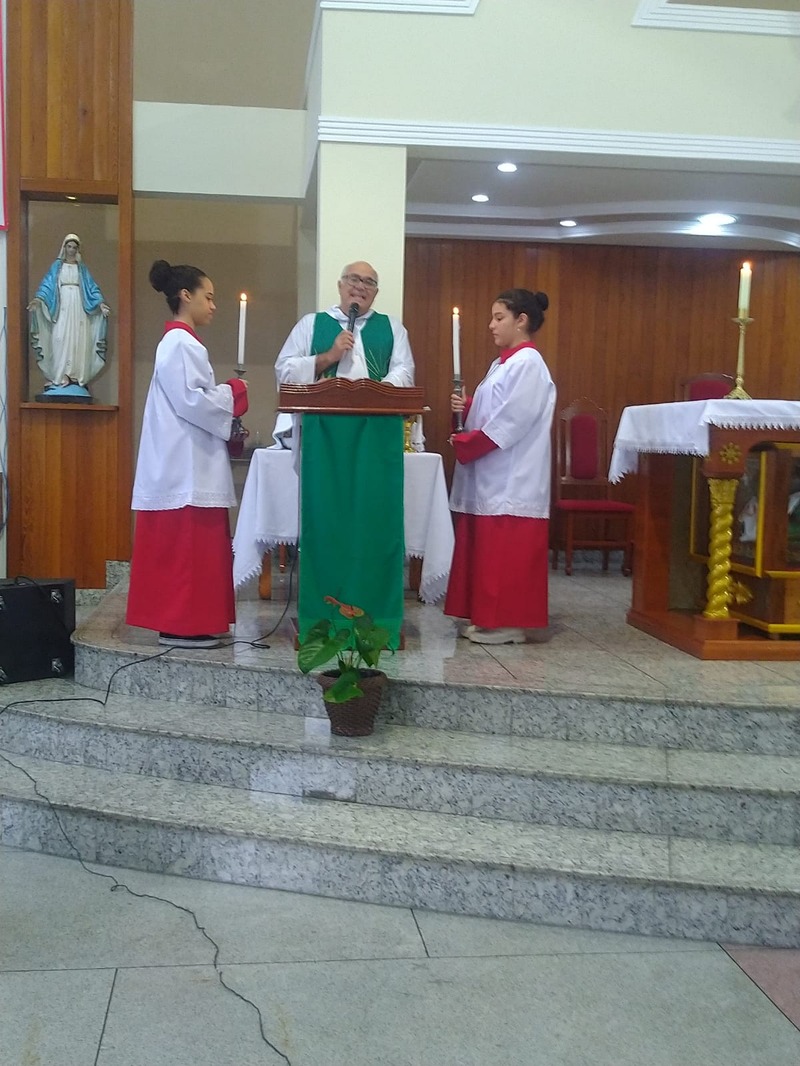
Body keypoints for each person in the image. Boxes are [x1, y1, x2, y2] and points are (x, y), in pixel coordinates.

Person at [126, 260, 248, 650]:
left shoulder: (180, 343)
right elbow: (191, 400)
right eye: (207, 297)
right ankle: (182, 625)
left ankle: (193, 622)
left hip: (186, 460)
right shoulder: (180, 343)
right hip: (184, 467)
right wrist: (233, 392)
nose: (213, 305)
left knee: (191, 550)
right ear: (185, 295)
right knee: (186, 551)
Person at [444, 288, 556, 645]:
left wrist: (470, 444)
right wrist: (468, 406)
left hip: (513, 476)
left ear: (521, 320)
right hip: (492, 473)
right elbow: (492, 410)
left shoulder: (528, 364)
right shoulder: (503, 364)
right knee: (488, 550)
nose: (491, 325)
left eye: (498, 317)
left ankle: (508, 622)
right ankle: (486, 616)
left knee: (505, 551)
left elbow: (513, 420)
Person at [274, 261, 414, 386]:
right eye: (354, 279)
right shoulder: (310, 323)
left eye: (369, 282)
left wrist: (380, 390)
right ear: (340, 286)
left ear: (376, 293)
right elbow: (284, 371)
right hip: (322, 407)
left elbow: (405, 370)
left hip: (376, 407)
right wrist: (329, 356)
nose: (360, 286)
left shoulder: (392, 327)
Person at [28, 233, 111, 392]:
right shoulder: (57, 267)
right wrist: (38, 300)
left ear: (77, 249)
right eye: (69, 246)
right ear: (64, 247)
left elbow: (91, 288)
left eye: (74, 247)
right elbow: (47, 285)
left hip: (78, 307)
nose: (71, 250)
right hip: (62, 308)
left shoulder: (82, 269)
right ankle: (59, 376)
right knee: (59, 338)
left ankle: (74, 376)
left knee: (77, 340)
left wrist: (100, 304)